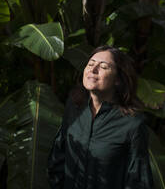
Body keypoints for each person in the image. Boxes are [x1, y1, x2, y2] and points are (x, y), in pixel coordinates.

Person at [47, 45, 153, 189]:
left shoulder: (132, 124)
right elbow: (58, 156)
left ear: (118, 79)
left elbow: (139, 180)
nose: (93, 69)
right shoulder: (74, 107)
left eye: (103, 66)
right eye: (90, 64)